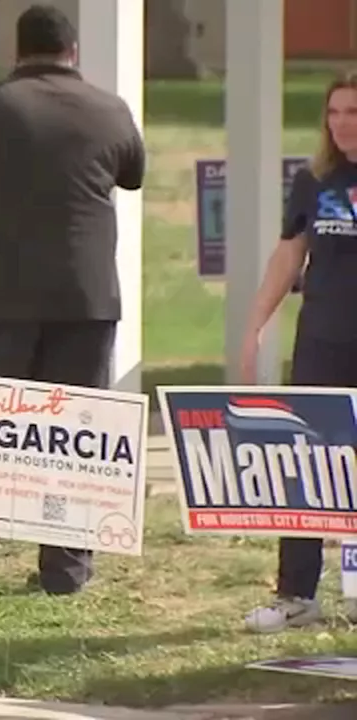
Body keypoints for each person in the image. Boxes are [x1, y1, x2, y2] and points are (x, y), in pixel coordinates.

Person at [0, 4, 145, 595]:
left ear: (18, 51)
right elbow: (132, 173)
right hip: (85, 297)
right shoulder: (110, 109)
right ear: (73, 53)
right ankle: (66, 569)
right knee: (73, 431)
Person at [239, 70, 357, 633]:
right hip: (322, 342)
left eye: (353, 112)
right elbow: (288, 257)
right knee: (308, 467)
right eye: (334, 113)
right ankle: (296, 594)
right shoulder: (314, 180)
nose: (341, 124)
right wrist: (256, 325)